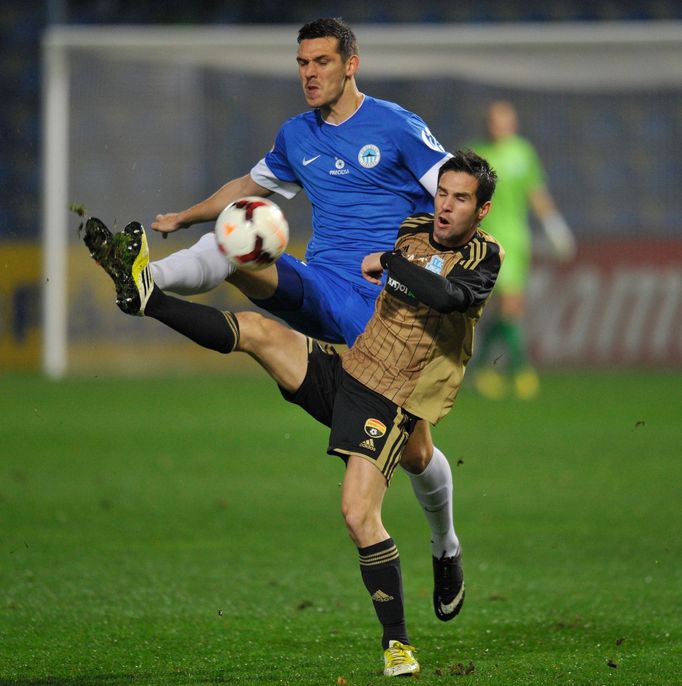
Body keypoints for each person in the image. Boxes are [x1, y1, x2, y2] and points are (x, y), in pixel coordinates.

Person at [81, 151, 502, 677]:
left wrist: (390, 263)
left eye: (460, 199)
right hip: (352, 368)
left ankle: (401, 636)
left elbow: (445, 297)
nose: (444, 206)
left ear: (480, 210)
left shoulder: (485, 256)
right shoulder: (414, 227)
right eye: (442, 193)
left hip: (393, 398)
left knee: (360, 511)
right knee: (257, 333)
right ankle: (149, 298)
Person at [149, 17, 464, 620]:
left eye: (321, 62)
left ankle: (445, 544)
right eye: (302, 64)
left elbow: (452, 191)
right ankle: (151, 279)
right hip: (320, 288)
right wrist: (186, 215)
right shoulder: (298, 136)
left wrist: (444, 261)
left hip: (388, 317)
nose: (309, 74)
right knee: (240, 235)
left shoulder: (396, 126)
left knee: (420, 452)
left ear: (351, 63)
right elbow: (249, 183)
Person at [467, 100, 576, 400]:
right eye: (493, 120)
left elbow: (535, 192)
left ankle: (485, 370)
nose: (498, 126)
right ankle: (520, 370)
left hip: (517, 240)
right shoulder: (475, 153)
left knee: (510, 307)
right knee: (504, 306)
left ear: (512, 124)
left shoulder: (522, 152)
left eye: (503, 121)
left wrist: (555, 227)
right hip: (485, 240)